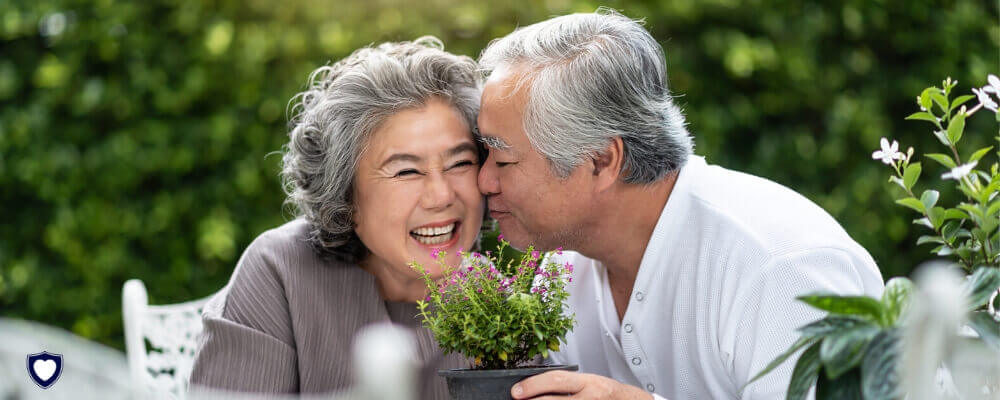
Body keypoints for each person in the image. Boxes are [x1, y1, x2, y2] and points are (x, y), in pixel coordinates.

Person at [475, 9, 884, 400]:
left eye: (504, 159)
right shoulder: (564, 269)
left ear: (602, 161)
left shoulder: (779, 267)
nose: (483, 180)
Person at [189, 37, 485, 398]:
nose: (442, 195)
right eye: (407, 171)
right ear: (345, 195)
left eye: (460, 163)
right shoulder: (280, 271)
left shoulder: (499, 302)